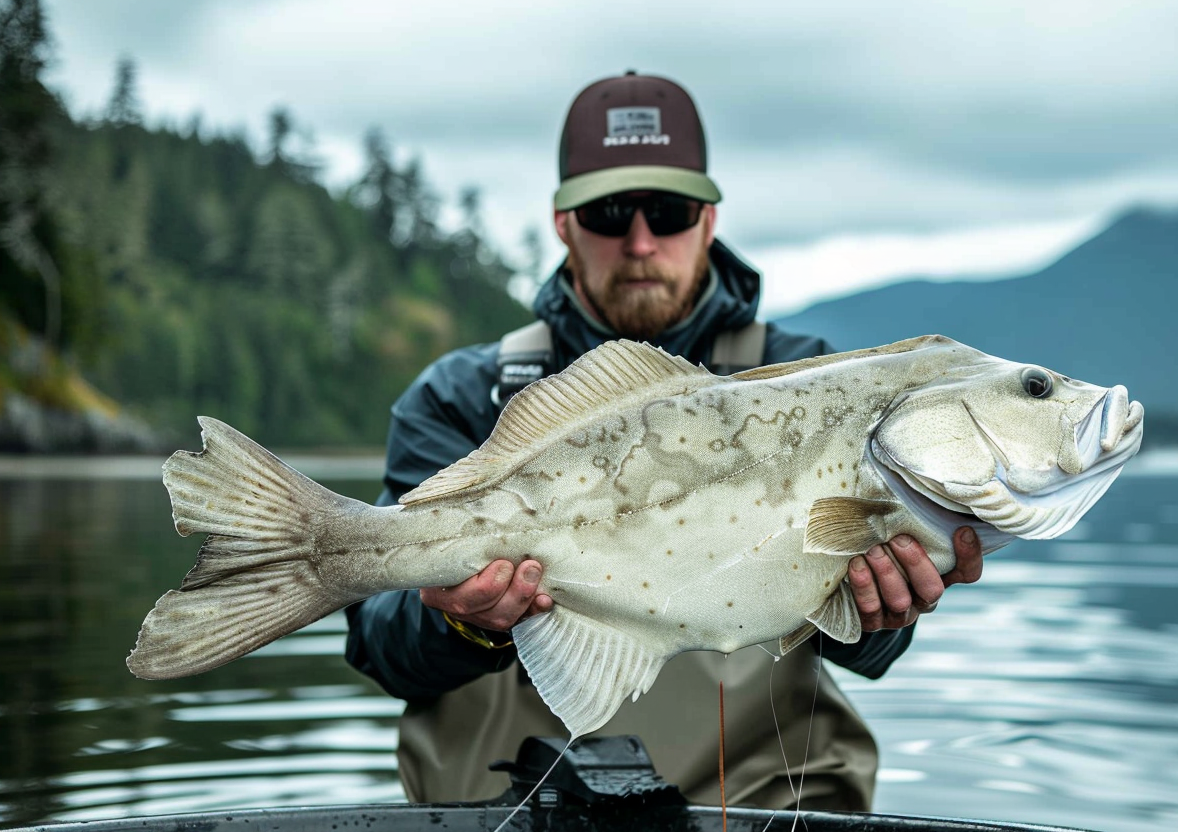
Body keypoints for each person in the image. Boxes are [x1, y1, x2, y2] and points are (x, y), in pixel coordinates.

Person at [344, 71, 984, 812]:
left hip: (756, 809)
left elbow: (873, 649)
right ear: (564, 223)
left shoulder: (813, 379)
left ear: (708, 221)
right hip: (501, 813)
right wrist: (462, 620)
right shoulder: (460, 397)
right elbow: (383, 646)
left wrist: (881, 614)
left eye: (670, 212)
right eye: (611, 212)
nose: (641, 241)